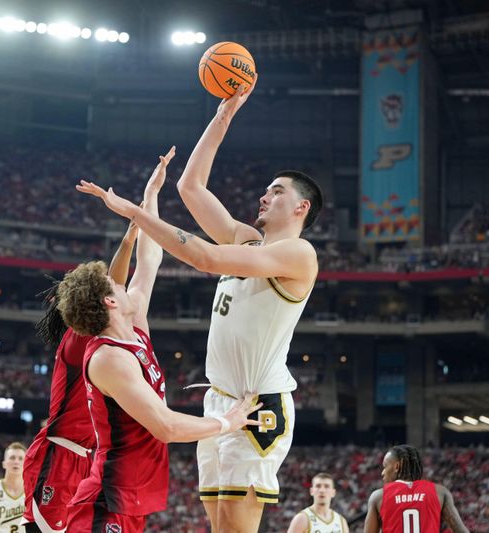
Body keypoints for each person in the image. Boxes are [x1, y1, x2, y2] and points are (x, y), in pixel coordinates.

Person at [76, 74, 322, 532]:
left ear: (301, 208)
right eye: (266, 190)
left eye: (277, 191)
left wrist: (136, 213)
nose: (264, 196)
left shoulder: (297, 255)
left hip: (256, 402)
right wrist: (223, 114)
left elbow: (204, 258)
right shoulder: (246, 238)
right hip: (218, 401)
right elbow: (190, 187)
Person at [61, 147, 263, 533]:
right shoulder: (108, 359)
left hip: (130, 499)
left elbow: (149, 260)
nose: (122, 282)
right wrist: (226, 421)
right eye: (113, 283)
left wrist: (150, 197)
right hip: (106, 501)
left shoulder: (134, 324)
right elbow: (166, 427)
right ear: (109, 301)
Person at [22, 151, 170, 533]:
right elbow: (114, 282)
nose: (114, 290)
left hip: (95, 461)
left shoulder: (115, 329)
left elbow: (123, 279)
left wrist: (138, 219)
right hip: (61, 455)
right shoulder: (79, 341)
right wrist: (134, 222)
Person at [364, 445, 469, 533]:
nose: (382, 473)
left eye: (385, 466)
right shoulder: (440, 493)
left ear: (396, 466)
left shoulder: (378, 497)